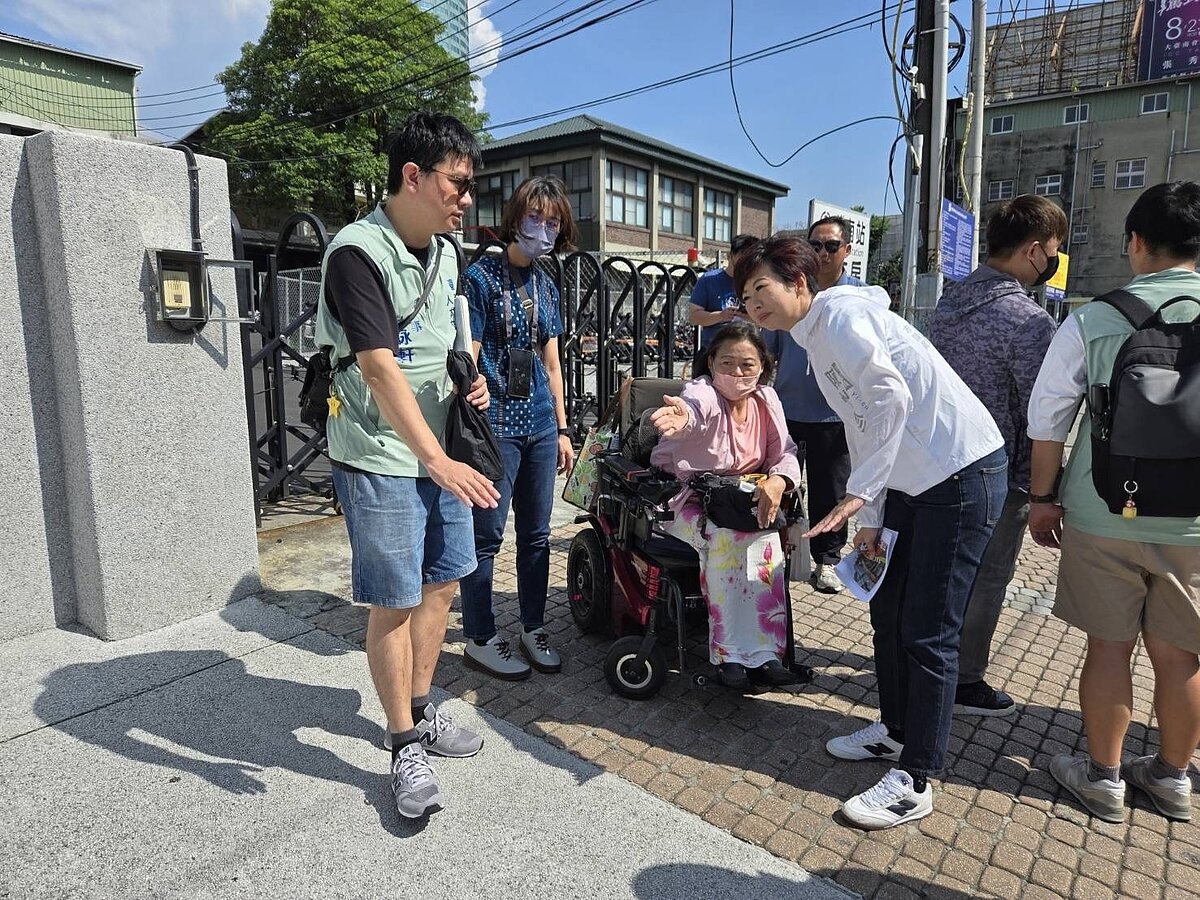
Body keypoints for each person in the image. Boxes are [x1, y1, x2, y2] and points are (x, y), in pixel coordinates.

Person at [734, 236, 1007, 831]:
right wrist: (872, 521)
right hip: (910, 485)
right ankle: (895, 731)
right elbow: (864, 430)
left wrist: (860, 491)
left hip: (959, 474)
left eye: (762, 289)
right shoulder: (814, 339)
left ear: (799, 282)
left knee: (928, 630)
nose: (754, 306)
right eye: (745, 296)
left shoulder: (842, 315)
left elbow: (888, 394)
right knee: (885, 609)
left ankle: (917, 778)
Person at [314, 112, 501, 820]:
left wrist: (472, 380)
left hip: (441, 448)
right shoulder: (356, 252)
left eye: (469, 186)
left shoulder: (448, 253)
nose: (465, 198)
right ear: (413, 176)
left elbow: (457, 337)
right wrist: (436, 458)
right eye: (457, 183)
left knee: (442, 586)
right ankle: (401, 747)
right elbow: (378, 366)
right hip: (380, 453)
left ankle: (420, 710)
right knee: (393, 599)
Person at [1028, 181, 1200, 825]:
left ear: (1136, 243)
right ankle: (1172, 779)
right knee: (1181, 656)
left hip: (1105, 510)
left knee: (1108, 647)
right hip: (1194, 525)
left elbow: (1047, 423)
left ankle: (1102, 778)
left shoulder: (1093, 319)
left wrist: (1043, 501)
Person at [926, 195, 1066, 718]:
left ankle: (928, 655)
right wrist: (1043, 487)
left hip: (940, 461)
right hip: (999, 472)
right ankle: (963, 680)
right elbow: (1043, 415)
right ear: (1033, 251)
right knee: (986, 577)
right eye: (1052, 250)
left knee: (942, 570)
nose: (1051, 260)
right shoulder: (1028, 322)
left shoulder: (947, 304)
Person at [458, 176, 578, 680]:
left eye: (553, 222)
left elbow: (553, 363)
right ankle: (480, 635)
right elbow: (470, 354)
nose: (544, 230)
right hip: (496, 428)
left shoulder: (546, 283)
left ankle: (533, 627)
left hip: (540, 427)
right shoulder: (481, 277)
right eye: (536, 218)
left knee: (536, 536)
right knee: (485, 537)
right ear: (515, 217)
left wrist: (565, 428)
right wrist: (470, 412)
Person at [648, 323, 804, 691]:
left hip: (744, 498)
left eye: (747, 365)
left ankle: (766, 652)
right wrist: (683, 417)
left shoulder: (767, 400)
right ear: (712, 362)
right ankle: (729, 653)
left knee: (766, 541)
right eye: (727, 362)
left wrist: (779, 480)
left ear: (763, 367)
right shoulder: (704, 394)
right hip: (689, 498)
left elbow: (784, 453)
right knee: (726, 540)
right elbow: (694, 409)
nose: (736, 372)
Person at [763, 216, 862, 594]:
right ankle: (776, 553)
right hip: (787, 410)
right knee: (780, 485)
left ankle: (829, 561)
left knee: (831, 491)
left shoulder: (857, 298)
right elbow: (767, 354)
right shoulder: (790, 293)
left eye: (831, 246)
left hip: (835, 415)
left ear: (847, 251)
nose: (822, 253)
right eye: (815, 245)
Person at [688, 233, 758, 366]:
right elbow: (694, 317)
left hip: (746, 353)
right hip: (712, 350)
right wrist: (721, 315)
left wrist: (749, 317)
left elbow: (766, 321)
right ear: (729, 256)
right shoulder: (709, 280)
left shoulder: (756, 283)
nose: (745, 265)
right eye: (742, 258)